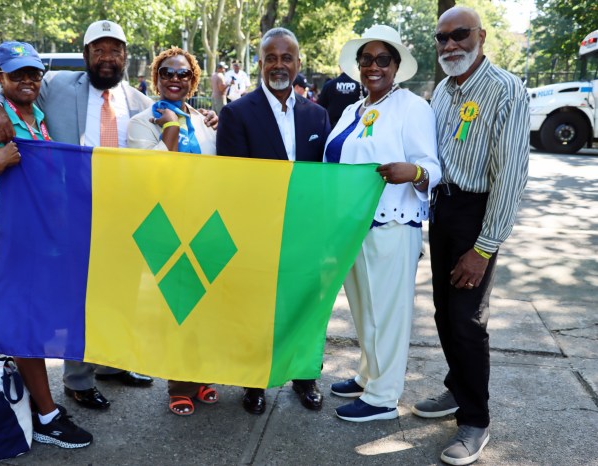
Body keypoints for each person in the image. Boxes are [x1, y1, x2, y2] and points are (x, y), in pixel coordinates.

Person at [0, 20, 157, 411]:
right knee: (81, 296)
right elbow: (7, 86)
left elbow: (178, 120)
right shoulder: (58, 84)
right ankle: (78, 380)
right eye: (99, 50)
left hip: (126, 215)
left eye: (115, 50)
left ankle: (111, 363)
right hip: (71, 213)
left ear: (126, 56)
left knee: (121, 294)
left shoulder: (141, 103)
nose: (107, 58)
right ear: (86, 54)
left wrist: (206, 118)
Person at [0, 41, 92, 449]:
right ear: (0, 79)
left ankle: (31, 400)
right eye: (17, 75)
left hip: (43, 244)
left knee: (35, 326)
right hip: (10, 247)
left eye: (33, 73)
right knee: (23, 328)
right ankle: (47, 415)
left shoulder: (38, 118)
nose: (27, 81)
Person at [411, 7, 529, 466]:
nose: (450, 46)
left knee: (467, 318)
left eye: (459, 35)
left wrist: (483, 248)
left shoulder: (506, 90)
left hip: (478, 215)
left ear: (480, 36)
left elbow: (511, 177)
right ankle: (457, 390)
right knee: (444, 311)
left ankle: (475, 420)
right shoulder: (443, 89)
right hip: (444, 208)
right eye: (442, 39)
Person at [325, 25, 441, 423]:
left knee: (388, 311)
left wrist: (413, 172)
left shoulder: (412, 107)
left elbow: (433, 168)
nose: (373, 66)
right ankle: (367, 373)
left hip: (393, 223)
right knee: (363, 308)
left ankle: (383, 397)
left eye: (382, 60)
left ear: (395, 66)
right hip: (353, 227)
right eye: (366, 59)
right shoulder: (350, 110)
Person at [216, 27, 330, 415]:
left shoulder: (318, 114)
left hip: (304, 236)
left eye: (287, 57)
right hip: (256, 234)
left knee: (304, 308)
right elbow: (233, 183)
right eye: (271, 58)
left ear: (299, 63)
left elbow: (324, 180)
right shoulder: (236, 113)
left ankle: (304, 377)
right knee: (256, 310)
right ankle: (254, 382)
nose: (279, 64)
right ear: (260, 63)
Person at [127, 47, 218, 416]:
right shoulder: (139, 123)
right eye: (168, 73)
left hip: (206, 222)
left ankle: (204, 373)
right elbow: (153, 177)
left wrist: (208, 123)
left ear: (193, 80)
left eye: (183, 74)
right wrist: (170, 127)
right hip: (165, 225)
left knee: (208, 304)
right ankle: (179, 384)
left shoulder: (204, 120)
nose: (175, 80)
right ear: (157, 78)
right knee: (178, 306)